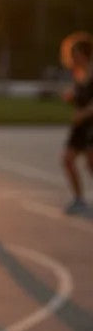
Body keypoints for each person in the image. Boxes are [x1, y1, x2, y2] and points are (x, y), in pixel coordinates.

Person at [60, 31, 93, 213]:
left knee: (91, 162)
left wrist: (85, 113)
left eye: (75, 52)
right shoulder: (78, 74)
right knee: (67, 159)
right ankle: (79, 198)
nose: (73, 57)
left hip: (91, 125)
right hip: (80, 126)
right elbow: (78, 96)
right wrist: (70, 96)